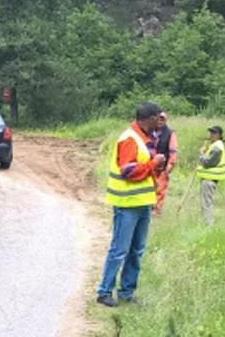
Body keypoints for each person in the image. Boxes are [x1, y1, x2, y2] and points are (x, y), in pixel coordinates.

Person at [96, 102, 167, 307]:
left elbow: (144, 170)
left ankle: (127, 293)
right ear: (150, 118)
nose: (160, 121)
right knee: (120, 249)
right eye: (158, 118)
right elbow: (129, 172)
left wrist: (156, 166)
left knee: (136, 251)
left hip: (142, 203)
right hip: (127, 204)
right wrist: (153, 164)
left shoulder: (146, 138)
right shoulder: (130, 139)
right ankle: (104, 292)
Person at [146, 111, 178, 214]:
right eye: (158, 118)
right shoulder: (149, 131)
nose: (160, 121)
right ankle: (148, 209)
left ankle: (156, 211)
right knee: (148, 188)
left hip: (162, 168)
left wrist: (170, 166)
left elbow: (173, 151)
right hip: (149, 166)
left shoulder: (170, 133)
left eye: (162, 119)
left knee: (160, 189)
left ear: (166, 120)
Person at [196, 126, 225, 225]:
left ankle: (209, 226)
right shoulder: (214, 145)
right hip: (208, 179)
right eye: (210, 133)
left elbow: (208, 163)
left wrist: (201, 153)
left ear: (219, 135)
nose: (211, 135)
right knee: (205, 202)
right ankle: (206, 224)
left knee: (206, 203)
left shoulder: (217, 147)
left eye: (214, 133)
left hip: (210, 180)